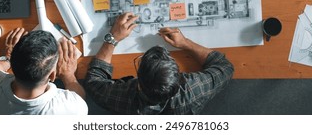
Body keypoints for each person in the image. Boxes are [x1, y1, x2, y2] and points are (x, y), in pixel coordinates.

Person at [84, 12, 234, 114]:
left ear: (139, 85)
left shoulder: (125, 98)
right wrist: (185, 43)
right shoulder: (192, 92)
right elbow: (225, 67)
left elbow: (94, 82)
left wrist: (112, 38)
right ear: (180, 78)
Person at [0, 28, 88, 115]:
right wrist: (68, 76)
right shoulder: (71, 109)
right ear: (52, 75)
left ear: (13, 67)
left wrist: (7, 58)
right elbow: (79, 98)